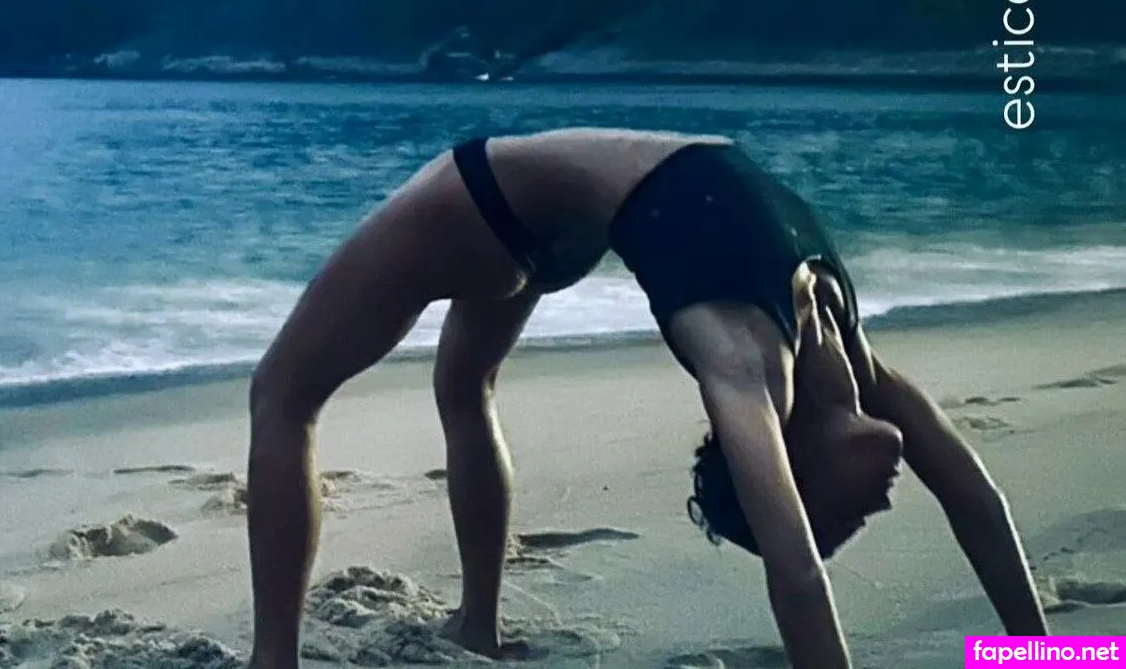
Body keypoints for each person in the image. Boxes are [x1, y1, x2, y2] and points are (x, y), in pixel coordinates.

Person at [243, 128, 1046, 669]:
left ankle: (413, 635)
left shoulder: (754, 365)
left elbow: (805, 568)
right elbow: (962, 500)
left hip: (514, 209)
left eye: (839, 518)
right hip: (501, 201)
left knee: (296, 395)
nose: (872, 509)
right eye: (837, 520)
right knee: (399, 388)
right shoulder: (826, 350)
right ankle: (387, 639)